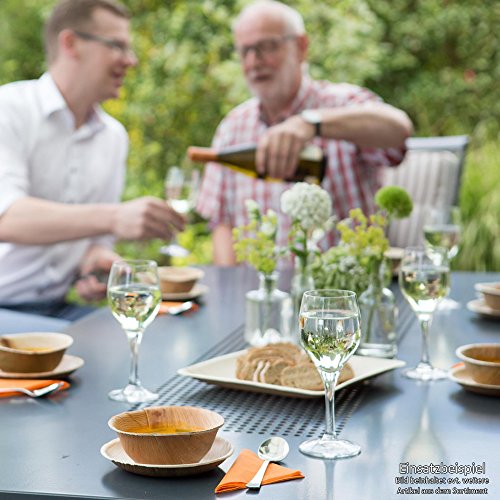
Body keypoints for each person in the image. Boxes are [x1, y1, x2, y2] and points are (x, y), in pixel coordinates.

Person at [0, 0, 184, 320]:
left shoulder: (113, 137)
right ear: (70, 44)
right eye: (117, 46)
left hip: (59, 311)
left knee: (155, 339)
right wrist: (114, 217)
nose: (132, 61)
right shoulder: (10, 109)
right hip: (6, 307)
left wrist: (97, 267)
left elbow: (93, 244)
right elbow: (7, 218)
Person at [197, 0, 414, 265]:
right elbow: (222, 224)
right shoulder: (232, 128)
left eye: (267, 47)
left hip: (341, 296)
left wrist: (311, 124)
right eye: (245, 51)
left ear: (301, 47)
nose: (254, 61)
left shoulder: (341, 103)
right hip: (264, 295)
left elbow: (399, 132)